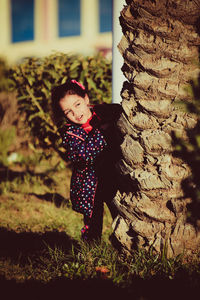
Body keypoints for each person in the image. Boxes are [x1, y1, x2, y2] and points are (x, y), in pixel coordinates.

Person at [51, 79, 122, 242]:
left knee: (120, 213)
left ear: (86, 99)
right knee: (92, 220)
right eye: (68, 112)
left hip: (113, 177)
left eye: (77, 104)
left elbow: (120, 111)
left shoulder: (104, 113)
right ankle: (92, 248)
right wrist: (101, 131)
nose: (76, 113)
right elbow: (84, 154)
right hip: (89, 185)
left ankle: (123, 244)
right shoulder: (70, 133)